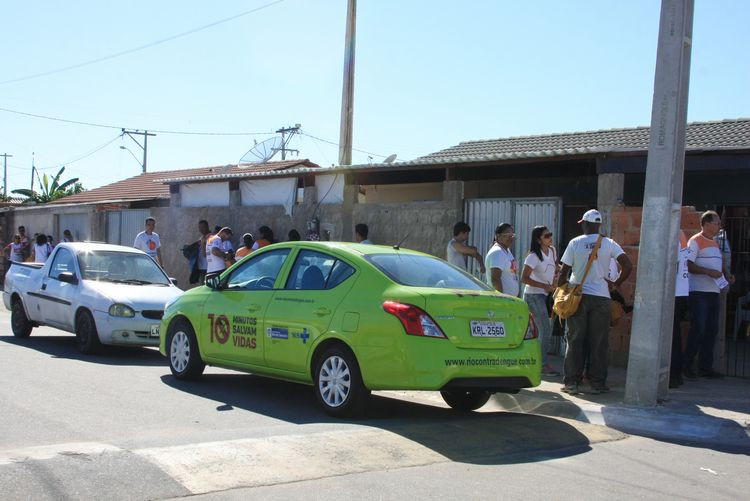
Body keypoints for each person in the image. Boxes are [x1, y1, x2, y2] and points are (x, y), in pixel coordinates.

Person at [558, 209, 633, 395]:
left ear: (585, 224)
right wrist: (616, 284)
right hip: (602, 299)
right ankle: (597, 383)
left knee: (575, 340)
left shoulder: (575, 243)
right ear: (598, 225)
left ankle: (572, 383)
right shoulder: (609, 243)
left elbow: (563, 272)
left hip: (578, 297)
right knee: (599, 342)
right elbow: (628, 265)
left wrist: (561, 292)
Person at [684, 211, 734, 379]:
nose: (719, 226)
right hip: (699, 292)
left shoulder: (715, 243)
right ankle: (687, 365)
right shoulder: (695, 241)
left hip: (713, 292)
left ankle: (705, 367)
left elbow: (719, 265)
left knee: (711, 330)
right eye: (717, 223)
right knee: (698, 328)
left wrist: (727, 274)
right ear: (706, 224)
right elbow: (688, 265)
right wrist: (707, 272)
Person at [521, 225, 559, 375]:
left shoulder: (553, 250)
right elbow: (524, 278)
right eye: (546, 236)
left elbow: (555, 266)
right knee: (544, 328)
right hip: (533, 295)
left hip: (545, 295)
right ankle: (542, 364)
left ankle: (533, 361)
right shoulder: (533, 256)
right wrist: (544, 285)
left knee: (539, 330)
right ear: (538, 240)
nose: (550, 238)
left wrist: (561, 271)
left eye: (550, 234)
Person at [670, 230, 691, 388]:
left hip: (673, 292)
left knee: (671, 336)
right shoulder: (681, 234)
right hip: (681, 291)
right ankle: (675, 375)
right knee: (674, 334)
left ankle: (673, 375)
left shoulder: (672, 234)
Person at [485, 223, 519, 296]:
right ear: (498, 236)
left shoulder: (506, 251)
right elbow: (495, 278)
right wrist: (501, 298)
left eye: (512, 235)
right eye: (507, 235)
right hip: (501, 301)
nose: (511, 238)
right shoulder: (497, 252)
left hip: (510, 299)